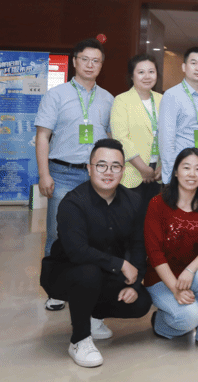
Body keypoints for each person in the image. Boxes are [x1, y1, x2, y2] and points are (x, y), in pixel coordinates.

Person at [40, 139, 152, 368]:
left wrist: (135, 283)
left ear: (123, 170)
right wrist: (121, 264)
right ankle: (79, 340)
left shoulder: (133, 201)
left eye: (115, 166)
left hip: (104, 274)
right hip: (64, 273)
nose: (108, 172)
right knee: (88, 273)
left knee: (141, 302)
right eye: (101, 165)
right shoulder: (73, 202)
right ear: (89, 168)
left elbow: (138, 245)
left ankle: (92, 317)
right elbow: (76, 252)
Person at [35, 38, 114, 310]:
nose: (90, 65)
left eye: (96, 61)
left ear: (101, 65)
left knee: (95, 235)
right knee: (58, 234)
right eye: (85, 59)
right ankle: (56, 289)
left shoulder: (108, 98)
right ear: (74, 61)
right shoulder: (56, 95)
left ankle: (90, 285)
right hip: (63, 173)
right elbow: (42, 136)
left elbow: (111, 138)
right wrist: (44, 174)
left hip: (96, 178)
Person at [145, 148, 198, 346]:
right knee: (189, 317)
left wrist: (190, 270)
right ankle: (160, 323)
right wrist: (175, 288)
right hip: (162, 278)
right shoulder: (157, 203)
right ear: (176, 172)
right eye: (186, 168)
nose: (192, 174)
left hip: (192, 276)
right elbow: (154, 252)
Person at [110, 54, 163, 216]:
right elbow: (121, 138)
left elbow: (169, 135)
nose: (147, 76)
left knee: (153, 221)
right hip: (133, 173)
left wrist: (164, 165)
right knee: (130, 222)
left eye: (151, 72)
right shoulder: (122, 100)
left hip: (158, 173)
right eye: (141, 72)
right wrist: (143, 168)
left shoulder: (163, 100)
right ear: (132, 76)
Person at [158, 46, 198, 186]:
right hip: (182, 168)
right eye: (193, 63)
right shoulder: (172, 95)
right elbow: (166, 139)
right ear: (184, 67)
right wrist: (170, 177)